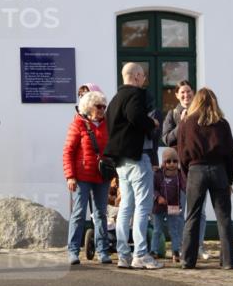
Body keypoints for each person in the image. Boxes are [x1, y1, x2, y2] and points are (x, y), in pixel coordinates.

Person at [104, 63, 163, 270]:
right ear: (136, 76)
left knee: (126, 207)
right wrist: (152, 124)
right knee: (143, 206)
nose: (144, 80)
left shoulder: (114, 99)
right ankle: (140, 254)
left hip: (120, 161)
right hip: (137, 158)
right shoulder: (135, 94)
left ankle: (123, 255)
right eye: (143, 76)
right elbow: (135, 116)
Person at [178, 88, 233, 270]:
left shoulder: (187, 123)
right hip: (219, 169)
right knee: (224, 217)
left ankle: (187, 260)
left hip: (196, 169)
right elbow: (231, 155)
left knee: (192, 216)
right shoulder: (222, 124)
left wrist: (187, 175)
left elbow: (182, 153)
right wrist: (230, 179)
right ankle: (228, 261)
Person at [63, 90, 111, 266]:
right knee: (78, 214)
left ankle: (102, 251)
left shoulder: (107, 124)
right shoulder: (78, 124)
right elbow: (68, 151)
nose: (102, 110)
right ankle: (73, 251)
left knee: (100, 214)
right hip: (82, 176)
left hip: (101, 176)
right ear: (88, 107)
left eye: (104, 107)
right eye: (99, 106)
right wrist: (70, 176)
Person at [162, 79, 209, 259]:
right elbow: (166, 139)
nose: (186, 95)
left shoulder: (201, 113)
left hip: (198, 166)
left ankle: (199, 245)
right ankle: (183, 245)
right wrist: (181, 125)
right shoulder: (172, 115)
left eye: (189, 91)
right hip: (179, 169)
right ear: (177, 95)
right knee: (180, 209)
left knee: (200, 210)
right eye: (182, 92)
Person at [151, 149, 186, 263]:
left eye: (175, 161)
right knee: (157, 230)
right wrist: (158, 197)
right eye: (168, 161)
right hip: (159, 207)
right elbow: (153, 188)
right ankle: (154, 250)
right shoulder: (158, 174)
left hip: (173, 207)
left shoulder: (180, 175)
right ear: (163, 162)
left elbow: (184, 186)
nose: (172, 164)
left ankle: (175, 251)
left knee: (174, 230)